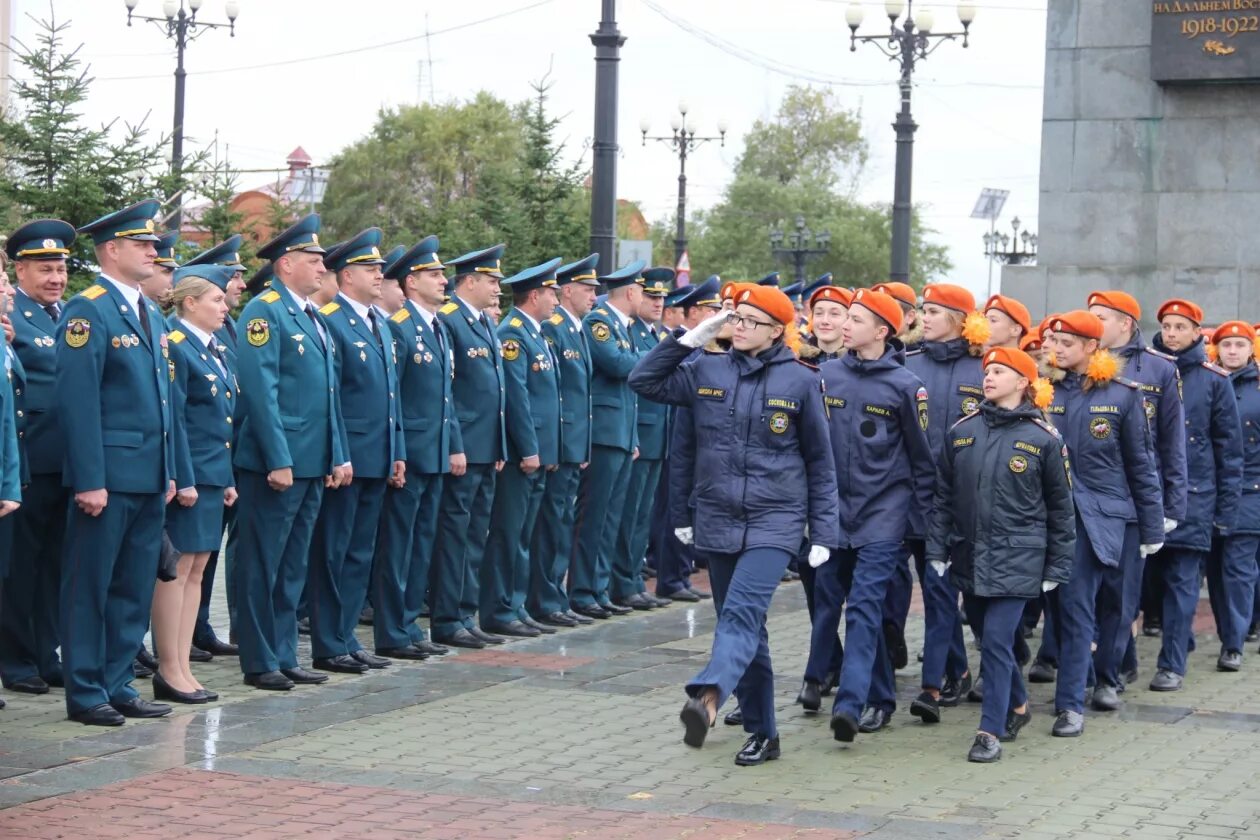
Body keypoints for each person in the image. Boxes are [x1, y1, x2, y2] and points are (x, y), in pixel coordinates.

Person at [629, 284, 838, 767]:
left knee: (741, 615)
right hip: (719, 515)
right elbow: (643, 382)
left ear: (776, 330)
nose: (738, 326)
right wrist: (687, 339)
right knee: (744, 628)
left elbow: (820, 463)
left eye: (750, 320)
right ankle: (765, 733)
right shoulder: (707, 367)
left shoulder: (801, 381)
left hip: (776, 518)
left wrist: (823, 531)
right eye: (734, 318)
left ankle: (707, 695)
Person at [58, 200, 180, 726]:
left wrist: (171, 469)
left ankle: (117, 682)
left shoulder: (148, 310)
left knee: (132, 587)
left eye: (153, 244)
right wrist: (89, 479)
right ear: (111, 250)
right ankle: (86, 691)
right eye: (142, 244)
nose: (154, 251)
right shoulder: (88, 309)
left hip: (149, 474)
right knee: (91, 586)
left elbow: (161, 399)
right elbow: (79, 401)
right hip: (107, 477)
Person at [928, 346, 1074, 761]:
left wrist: (1057, 565)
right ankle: (1019, 704)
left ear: (1023, 382)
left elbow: (1062, 509)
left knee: (995, 641)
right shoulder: (962, 431)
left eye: (999, 371)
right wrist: (938, 548)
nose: (988, 377)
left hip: (1019, 557)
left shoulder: (1043, 439)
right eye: (987, 370)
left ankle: (988, 732)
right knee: (990, 639)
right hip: (970, 554)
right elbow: (943, 497)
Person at [807, 289, 934, 740]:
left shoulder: (906, 386)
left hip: (884, 515)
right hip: (832, 515)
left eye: (856, 320)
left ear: (881, 331)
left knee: (865, 608)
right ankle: (874, 695)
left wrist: (925, 529)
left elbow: (923, 461)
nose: (845, 325)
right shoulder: (824, 375)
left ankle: (852, 703)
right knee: (835, 604)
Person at [234, 213, 349, 691]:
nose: (322, 267)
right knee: (264, 562)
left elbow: (328, 395)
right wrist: (278, 458)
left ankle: (284, 651)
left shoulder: (310, 315)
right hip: (276, 463)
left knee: (293, 564)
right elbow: (261, 393)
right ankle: (260, 659)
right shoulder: (263, 312)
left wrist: (337, 454)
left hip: (312, 460)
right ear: (285, 265)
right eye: (313, 259)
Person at [1042, 310, 1163, 737]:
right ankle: (1070, 691)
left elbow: (1141, 466)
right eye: (1054, 341)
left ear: (1092, 348)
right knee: (1064, 612)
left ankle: (1077, 699)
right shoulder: (1040, 391)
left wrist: (1151, 529)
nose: (1056, 349)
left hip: (1106, 518)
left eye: (1067, 343)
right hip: (1048, 519)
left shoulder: (1124, 395)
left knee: (1098, 608)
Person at [307, 229, 403, 675]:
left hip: (378, 455)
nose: (380, 274)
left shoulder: (379, 321)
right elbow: (331, 399)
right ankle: (328, 642)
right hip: (347, 460)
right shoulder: (331, 320)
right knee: (335, 551)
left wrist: (397, 450)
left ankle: (346, 636)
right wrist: (337, 454)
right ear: (347, 276)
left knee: (361, 551)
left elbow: (391, 398)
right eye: (371, 268)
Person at [154, 264, 239, 704]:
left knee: (199, 573)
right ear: (190, 302)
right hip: (189, 479)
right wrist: (184, 478)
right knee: (177, 573)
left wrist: (224, 479)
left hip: (210, 476)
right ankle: (169, 668)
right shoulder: (178, 346)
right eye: (217, 300)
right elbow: (178, 422)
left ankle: (183, 665)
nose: (225, 306)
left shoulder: (213, 348)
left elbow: (220, 423)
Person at [1148, 299, 1241, 692]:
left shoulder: (1214, 380)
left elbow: (1228, 450)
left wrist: (1227, 509)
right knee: (1147, 586)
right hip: (1151, 495)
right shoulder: (1145, 371)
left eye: (1179, 327)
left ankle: (1171, 664)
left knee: (1183, 581)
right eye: (1167, 326)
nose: (1171, 333)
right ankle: (1128, 661)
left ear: (1196, 333)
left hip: (1195, 496)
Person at [906, 284, 988, 722]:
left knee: (953, 592)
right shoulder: (908, 362)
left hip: (965, 499)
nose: (925, 317)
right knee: (934, 590)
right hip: (912, 496)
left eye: (934, 311)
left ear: (960, 318)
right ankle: (944, 675)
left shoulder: (985, 369)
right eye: (924, 309)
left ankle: (949, 675)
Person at [373, 237, 456, 659]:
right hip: (411, 455)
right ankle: (391, 630)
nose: (444, 281)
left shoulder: (437, 327)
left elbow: (446, 398)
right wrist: (398, 453)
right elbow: (393, 398)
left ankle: (408, 626)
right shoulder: (399, 327)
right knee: (398, 545)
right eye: (435, 275)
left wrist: (453, 446)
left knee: (421, 543)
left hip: (436, 453)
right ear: (411, 282)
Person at [1, 220, 73, 696]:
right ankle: (16, 658)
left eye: (61, 269)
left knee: (54, 566)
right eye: (45, 269)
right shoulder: (13, 318)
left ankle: (47, 654)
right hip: (27, 462)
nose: (55, 278)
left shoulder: (65, 314)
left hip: (64, 462)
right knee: (21, 567)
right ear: (19, 271)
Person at [430, 245, 508, 649]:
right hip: (462, 448)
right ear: (470, 282)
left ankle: (465, 611)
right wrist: (455, 445)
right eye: (491, 281)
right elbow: (449, 393)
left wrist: (499, 443)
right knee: (455, 535)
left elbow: (492, 390)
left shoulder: (482, 322)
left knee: (476, 533)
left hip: (485, 447)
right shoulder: (450, 320)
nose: (498, 288)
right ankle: (446, 618)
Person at [482, 258, 564, 637]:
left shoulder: (537, 333)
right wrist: (531, 450)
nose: (556, 300)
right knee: (509, 534)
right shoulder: (512, 334)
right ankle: (500, 608)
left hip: (539, 455)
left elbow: (549, 400)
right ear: (534, 295)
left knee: (524, 535)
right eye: (552, 293)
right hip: (521, 456)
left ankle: (515, 604)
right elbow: (518, 399)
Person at [181, 234, 248, 657]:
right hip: (199, 466)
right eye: (230, 278)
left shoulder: (229, 327)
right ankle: (183, 636)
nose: (237, 286)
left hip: (221, 460)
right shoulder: (185, 337)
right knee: (186, 561)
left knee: (203, 558)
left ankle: (199, 625)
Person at [568, 260, 646, 620]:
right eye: (641, 290)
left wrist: (631, 436)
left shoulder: (622, 326)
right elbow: (619, 365)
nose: (643, 297)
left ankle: (598, 589)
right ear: (630, 292)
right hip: (602, 434)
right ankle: (583, 590)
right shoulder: (599, 322)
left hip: (620, 433)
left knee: (610, 518)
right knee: (593, 516)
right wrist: (655, 356)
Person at [528, 254, 599, 628]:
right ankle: (544, 598)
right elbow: (550, 394)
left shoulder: (575, 328)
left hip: (572, 442)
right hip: (558, 440)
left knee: (560, 520)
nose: (593, 296)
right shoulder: (555, 327)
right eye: (587, 289)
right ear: (568, 290)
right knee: (549, 523)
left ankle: (554, 596)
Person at [653, 276, 721, 604]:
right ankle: (670, 576)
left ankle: (680, 572)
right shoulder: (685, 345)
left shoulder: (708, 348)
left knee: (683, 509)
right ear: (693, 313)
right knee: (672, 509)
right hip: (670, 437)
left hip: (690, 438)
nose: (717, 314)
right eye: (712, 308)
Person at [610, 266, 674, 611]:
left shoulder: (658, 336)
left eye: (662, 297)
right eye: (651, 296)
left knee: (640, 517)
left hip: (656, 435)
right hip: (639, 433)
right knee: (627, 515)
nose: (658, 302)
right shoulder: (632, 332)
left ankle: (632, 579)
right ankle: (622, 582)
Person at [1206, 321, 1260, 672]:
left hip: (1250, 490)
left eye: (1240, 345)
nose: (1233, 351)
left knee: (1239, 570)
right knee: (1214, 570)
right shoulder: (1207, 382)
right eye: (1227, 345)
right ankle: (1229, 632)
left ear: (1251, 349)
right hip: (1210, 490)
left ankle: (1234, 643)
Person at [799, 285, 852, 363]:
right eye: (819, 313)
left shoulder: (859, 364)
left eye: (834, 314)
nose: (824, 321)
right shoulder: (798, 361)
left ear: (848, 319)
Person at [872, 282, 922, 350]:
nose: (880, 317)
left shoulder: (922, 354)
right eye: (876, 312)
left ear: (910, 317)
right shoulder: (863, 349)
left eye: (889, 311)